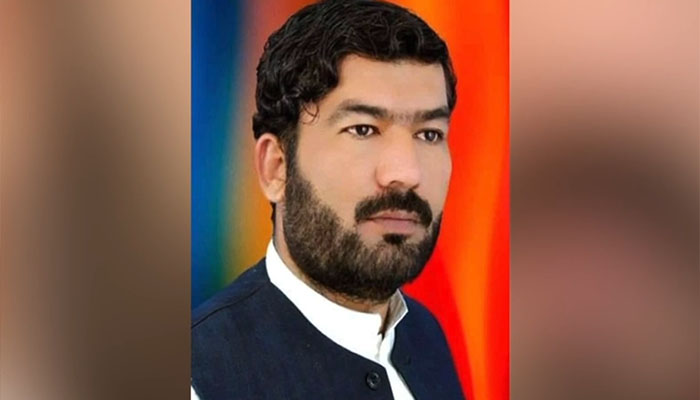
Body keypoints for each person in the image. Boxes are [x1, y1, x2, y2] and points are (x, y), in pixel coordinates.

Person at [191, 1, 464, 399]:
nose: (406, 172)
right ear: (276, 168)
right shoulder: (202, 374)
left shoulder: (427, 338)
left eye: (429, 134)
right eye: (363, 129)